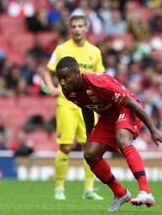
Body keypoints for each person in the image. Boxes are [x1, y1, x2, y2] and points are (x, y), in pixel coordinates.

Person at [55, 56, 162, 212]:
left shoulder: (98, 83)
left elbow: (130, 102)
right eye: (60, 78)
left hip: (126, 109)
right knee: (90, 155)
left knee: (123, 140)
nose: (62, 82)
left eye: (66, 77)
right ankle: (120, 193)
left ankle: (145, 191)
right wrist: (90, 136)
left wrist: (153, 130)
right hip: (107, 116)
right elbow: (86, 107)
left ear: (77, 73)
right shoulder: (68, 91)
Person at [43, 14, 104, 200]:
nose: (77, 29)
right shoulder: (62, 49)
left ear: (86, 28)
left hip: (88, 103)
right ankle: (59, 188)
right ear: (71, 29)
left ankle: (89, 189)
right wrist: (52, 88)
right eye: (74, 26)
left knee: (91, 147)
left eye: (80, 26)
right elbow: (48, 71)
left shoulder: (95, 51)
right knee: (66, 146)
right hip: (66, 103)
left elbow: (100, 78)